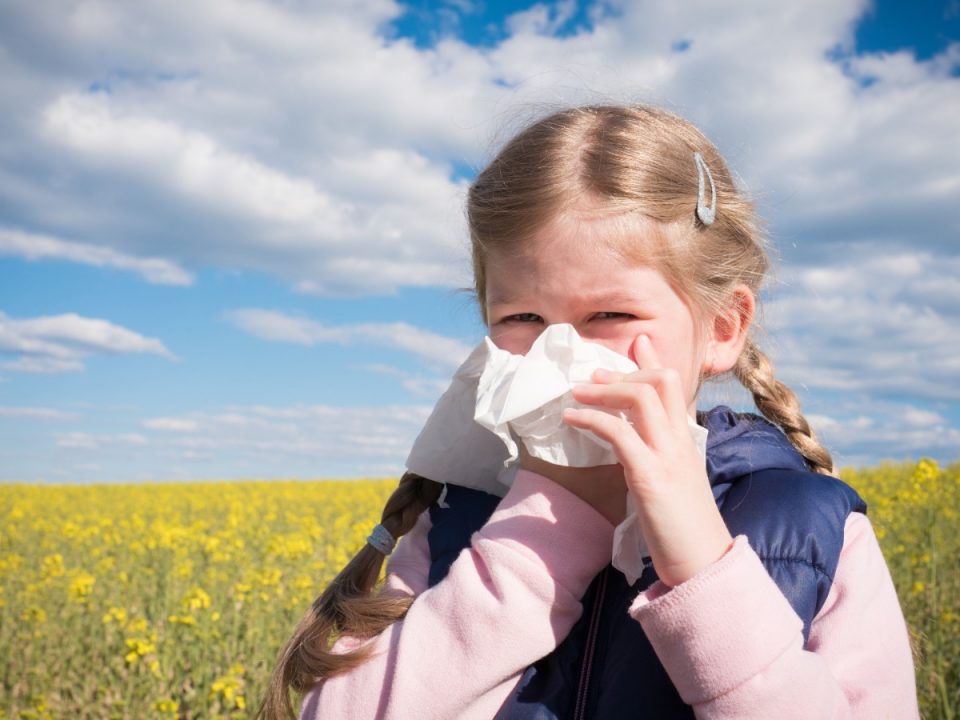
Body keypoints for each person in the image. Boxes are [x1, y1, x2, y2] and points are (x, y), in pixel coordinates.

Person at [258, 105, 918, 719]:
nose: (559, 353)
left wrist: (704, 570)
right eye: (521, 318)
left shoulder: (809, 527)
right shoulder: (458, 517)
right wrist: (544, 528)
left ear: (721, 327)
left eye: (610, 314)